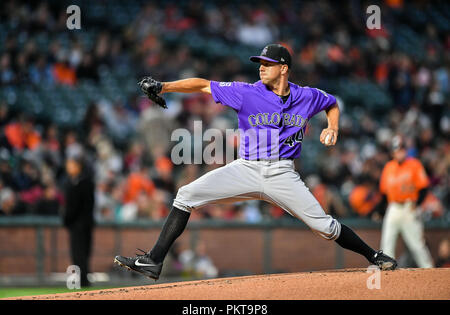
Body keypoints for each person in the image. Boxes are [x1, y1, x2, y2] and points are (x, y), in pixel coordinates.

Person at [114, 44, 397, 280]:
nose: (261, 67)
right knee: (185, 195)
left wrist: (332, 127)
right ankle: (153, 261)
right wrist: (164, 86)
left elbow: (331, 103)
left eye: (268, 63)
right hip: (246, 168)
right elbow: (202, 85)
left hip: (283, 174)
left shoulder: (306, 96)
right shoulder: (247, 91)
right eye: (259, 62)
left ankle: (373, 255)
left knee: (325, 228)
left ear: (284, 68)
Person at [379, 135, 434, 268]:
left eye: (401, 149)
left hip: (409, 207)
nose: (399, 152)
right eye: (397, 150)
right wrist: (379, 211)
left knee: (417, 245)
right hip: (393, 208)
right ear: (392, 152)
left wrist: (417, 204)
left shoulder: (414, 164)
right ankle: (387, 270)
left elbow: (424, 188)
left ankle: (429, 270)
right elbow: (383, 193)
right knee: (387, 242)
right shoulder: (388, 167)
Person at [62, 155, 95, 287]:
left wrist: (67, 219)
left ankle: (82, 281)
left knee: (79, 253)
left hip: (78, 225)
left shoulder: (79, 183)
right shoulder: (86, 182)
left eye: (70, 164)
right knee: (83, 253)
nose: (68, 167)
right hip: (84, 224)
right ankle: (83, 280)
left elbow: (74, 207)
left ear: (78, 166)